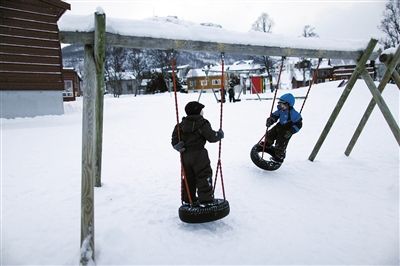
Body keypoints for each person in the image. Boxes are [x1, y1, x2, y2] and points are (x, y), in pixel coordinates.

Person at [171, 101, 224, 206]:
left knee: (188, 177)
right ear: (197, 112)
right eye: (201, 110)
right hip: (200, 155)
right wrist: (219, 134)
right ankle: (206, 200)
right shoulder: (202, 123)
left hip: (185, 156)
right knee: (203, 175)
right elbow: (211, 137)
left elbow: (174, 140)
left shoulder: (180, 126)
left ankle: (189, 198)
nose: (202, 112)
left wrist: (178, 146)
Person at [264, 93, 302, 163]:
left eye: (283, 104)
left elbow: (299, 124)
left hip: (287, 130)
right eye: (280, 104)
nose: (281, 106)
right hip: (279, 126)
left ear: (289, 105)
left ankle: (279, 156)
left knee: (281, 142)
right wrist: (271, 120)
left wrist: (291, 131)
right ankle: (267, 143)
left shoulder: (294, 114)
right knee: (270, 134)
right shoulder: (280, 110)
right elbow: (274, 116)